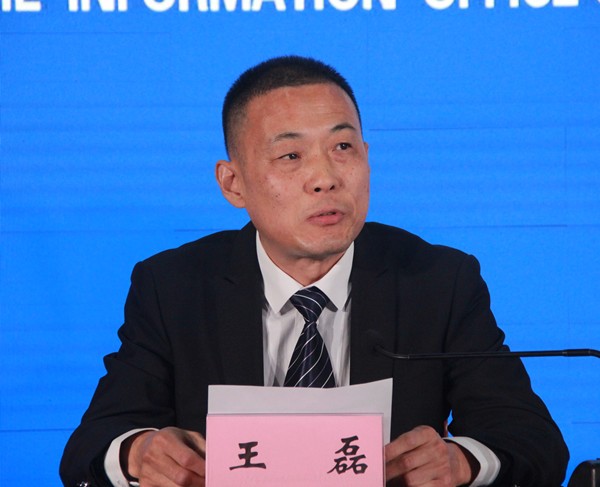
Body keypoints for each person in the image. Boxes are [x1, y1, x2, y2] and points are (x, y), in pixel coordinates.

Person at [60, 55, 569, 487]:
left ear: (367, 157)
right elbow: (90, 447)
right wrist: (138, 452)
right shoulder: (173, 287)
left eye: (343, 147)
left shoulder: (437, 280)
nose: (325, 178)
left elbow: (533, 441)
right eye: (290, 155)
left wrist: (462, 461)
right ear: (233, 184)